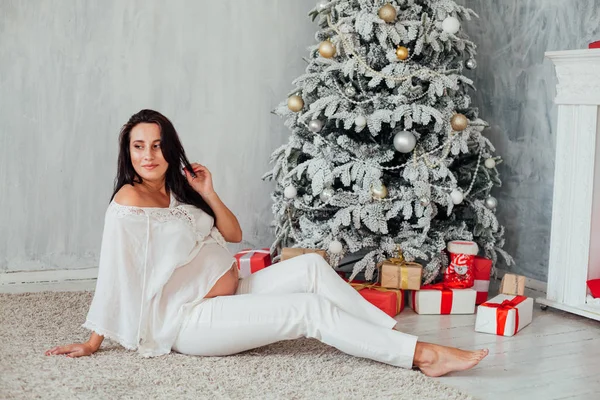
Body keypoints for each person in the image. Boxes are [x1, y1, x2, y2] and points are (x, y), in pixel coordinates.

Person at [45, 109, 488, 377]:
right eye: (139, 146)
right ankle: (424, 356)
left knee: (313, 268)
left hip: (233, 288)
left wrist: (208, 192)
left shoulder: (176, 191)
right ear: (128, 152)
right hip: (189, 321)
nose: (148, 155)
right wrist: (92, 341)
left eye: (157, 146)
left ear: (170, 149)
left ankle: (387, 336)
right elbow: (116, 273)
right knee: (307, 311)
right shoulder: (129, 201)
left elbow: (234, 235)